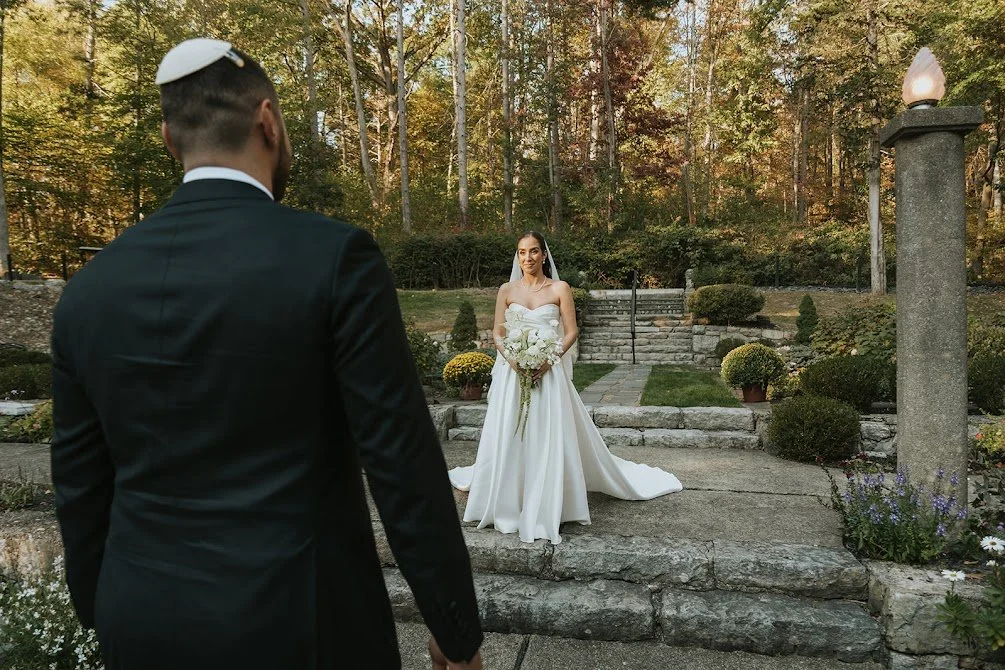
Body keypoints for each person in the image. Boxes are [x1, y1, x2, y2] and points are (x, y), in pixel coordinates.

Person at [49, 38, 483, 670]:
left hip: (140, 619)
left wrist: (107, 607)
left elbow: (80, 485)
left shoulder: (87, 291)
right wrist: (454, 627)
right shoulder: (334, 258)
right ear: (269, 123)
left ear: (171, 141)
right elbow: (400, 459)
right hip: (304, 623)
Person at [448, 232, 683, 544]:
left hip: (548, 372)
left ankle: (547, 499)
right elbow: (498, 331)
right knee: (509, 432)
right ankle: (506, 498)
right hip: (512, 373)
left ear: (545, 255)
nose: (527, 258)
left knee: (545, 434)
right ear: (517, 257)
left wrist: (547, 359)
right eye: (521, 252)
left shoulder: (560, 289)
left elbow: (571, 332)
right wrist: (513, 359)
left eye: (533, 252)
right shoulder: (507, 289)